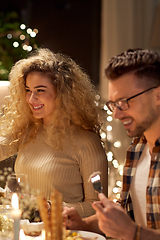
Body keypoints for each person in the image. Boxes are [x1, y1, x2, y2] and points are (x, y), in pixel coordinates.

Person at [0, 48, 108, 218]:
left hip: (62, 232)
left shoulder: (87, 141)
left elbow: (99, 207)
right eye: (28, 90)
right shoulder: (26, 130)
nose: (30, 99)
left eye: (40, 90)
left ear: (62, 93)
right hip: (26, 228)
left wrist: (52, 207)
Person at [64, 48, 160, 239]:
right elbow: (128, 210)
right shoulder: (137, 149)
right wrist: (84, 224)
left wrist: (132, 233)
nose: (116, 114)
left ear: (158, 96)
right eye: (113, 104)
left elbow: (130, 229)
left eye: (124, 101)